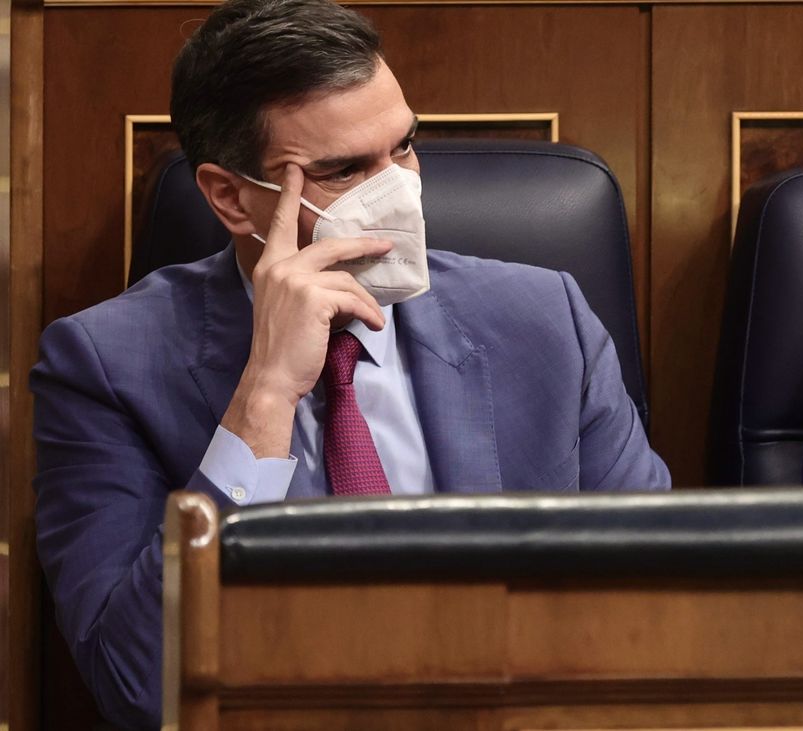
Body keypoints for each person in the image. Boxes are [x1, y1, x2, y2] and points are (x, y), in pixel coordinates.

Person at [30, 0, 670, 727]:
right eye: (344, 170)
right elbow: (140, 686)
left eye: (402, 148)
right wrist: (265, 395)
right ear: (231, 196)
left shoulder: (547, 321)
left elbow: (653, 615)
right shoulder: (102, 367)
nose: (398, 190)